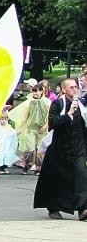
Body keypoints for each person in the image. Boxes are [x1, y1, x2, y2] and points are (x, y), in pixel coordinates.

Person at [33, 78, 87, 221]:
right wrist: (68, 114)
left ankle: (83, 209)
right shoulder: (58, 104)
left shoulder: (81, 104)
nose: (74, 90)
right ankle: (54, 208)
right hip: (59, 147)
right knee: (55, 178)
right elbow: (53, 122)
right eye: (71, 87)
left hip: (78, 147)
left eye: (76, 87)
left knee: (81, 174)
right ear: (63, 89)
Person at [8, 81, 49, 173]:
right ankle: (27, 163)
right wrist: (20, 127)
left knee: (40, 148)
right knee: (29, 147)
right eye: (33, 91)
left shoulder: (47, 102)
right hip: (31, 127)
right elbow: (23, 115)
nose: (35, 93)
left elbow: (49, 115)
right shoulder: (29, 102)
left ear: (41, 91)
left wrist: (46, 125)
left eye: (37, 91)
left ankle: (38, 166)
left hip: (42, 128)